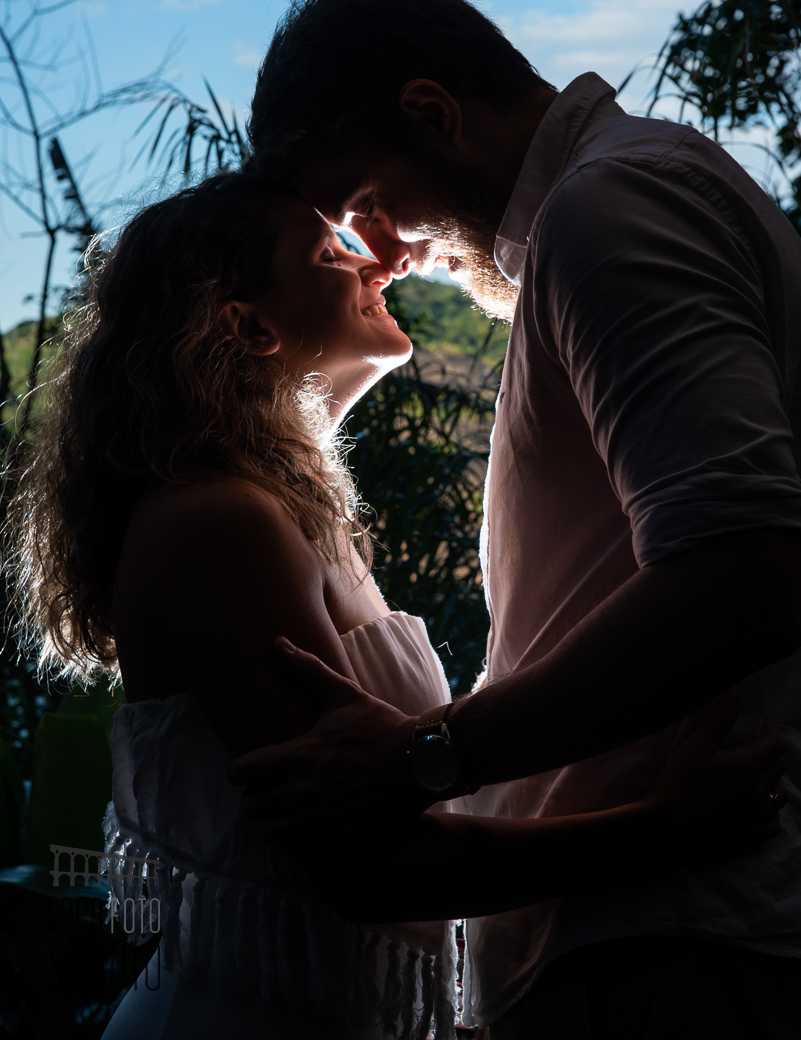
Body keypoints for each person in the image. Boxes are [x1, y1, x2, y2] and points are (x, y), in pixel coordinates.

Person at [6, 172, 785, 1040]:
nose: (374, 266)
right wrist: (660, 828)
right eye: (330, 250)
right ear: (249, 325)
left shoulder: (295, 519)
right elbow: (368, 868)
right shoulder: (217, 522)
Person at [230, 0, 801, 1037]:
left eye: (364, 209)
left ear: (433, 115)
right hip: (646, 933)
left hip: (670, 951)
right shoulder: (622, 203)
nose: (385, 255)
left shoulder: (611, 207)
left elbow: (748, 569)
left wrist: (425, 757)